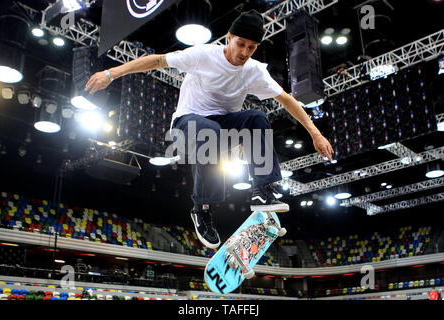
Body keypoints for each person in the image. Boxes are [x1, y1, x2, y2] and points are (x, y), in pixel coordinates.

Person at [85, 10, 334, 249]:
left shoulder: (255, 71)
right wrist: (111, 73)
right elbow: (159, 60)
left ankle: (262, 190)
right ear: (229, 37)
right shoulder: (204, 55)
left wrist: (315, 132)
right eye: (240, 44)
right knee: (210, 131)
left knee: (257, 117)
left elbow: (287, 99)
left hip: (221, 126)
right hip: (185, 127)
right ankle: (202, 208)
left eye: (251, 47)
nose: (244, 52)